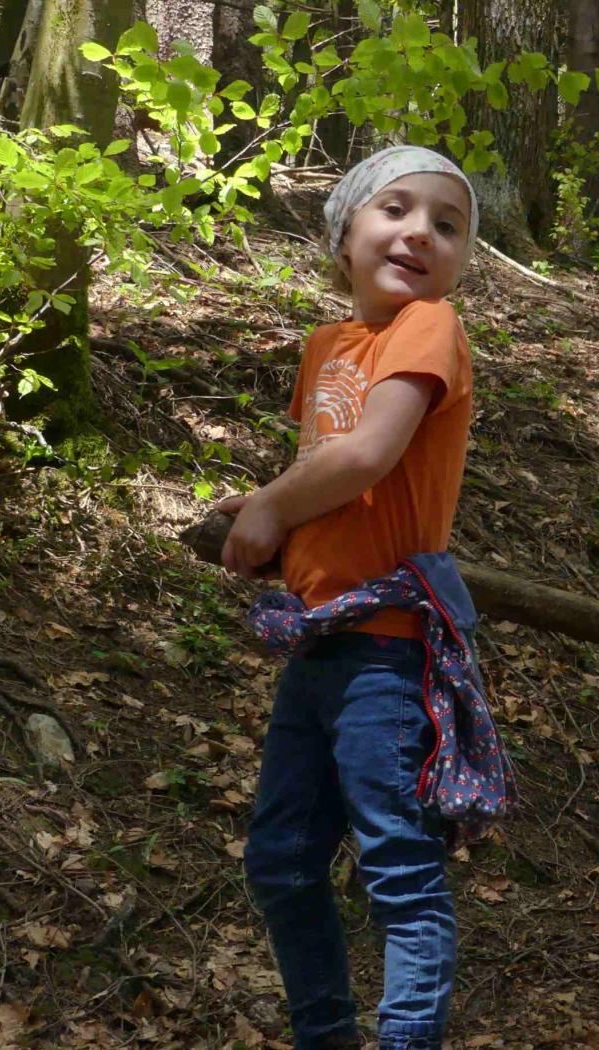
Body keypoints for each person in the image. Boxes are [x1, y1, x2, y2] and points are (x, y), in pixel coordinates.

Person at [216, 146, 513, 1050]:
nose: (419, 233)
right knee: (281, 861)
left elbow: (370, 454)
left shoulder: (429, 325)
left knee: (398, 869)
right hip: (320, 642)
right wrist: (267, 512)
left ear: (460, 263)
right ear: (343, 234)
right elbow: (328, 474)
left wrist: (273, 508)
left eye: (447, 226)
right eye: (395, 209)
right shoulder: (327, 347)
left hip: (388, 648)